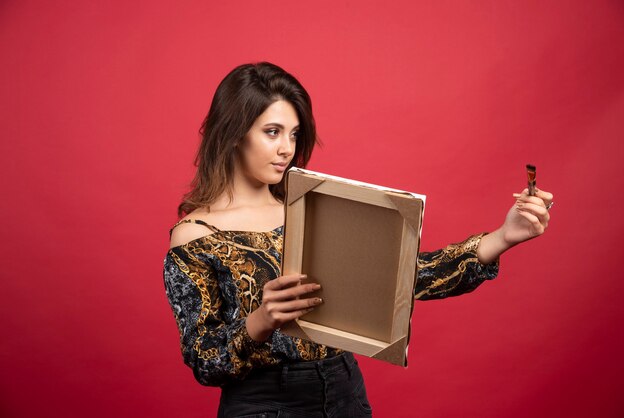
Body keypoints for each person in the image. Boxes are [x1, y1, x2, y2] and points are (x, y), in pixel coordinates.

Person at [163, 62, 554, 417]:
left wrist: (504, 236)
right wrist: (260, 321)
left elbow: (404, 278)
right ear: (233, 133)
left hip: (344, 391)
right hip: (264, 404)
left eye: (295, 134)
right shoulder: (196, 236)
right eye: (272, 132)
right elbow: (204, 360)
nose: (287, 148)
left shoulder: (311, 208)